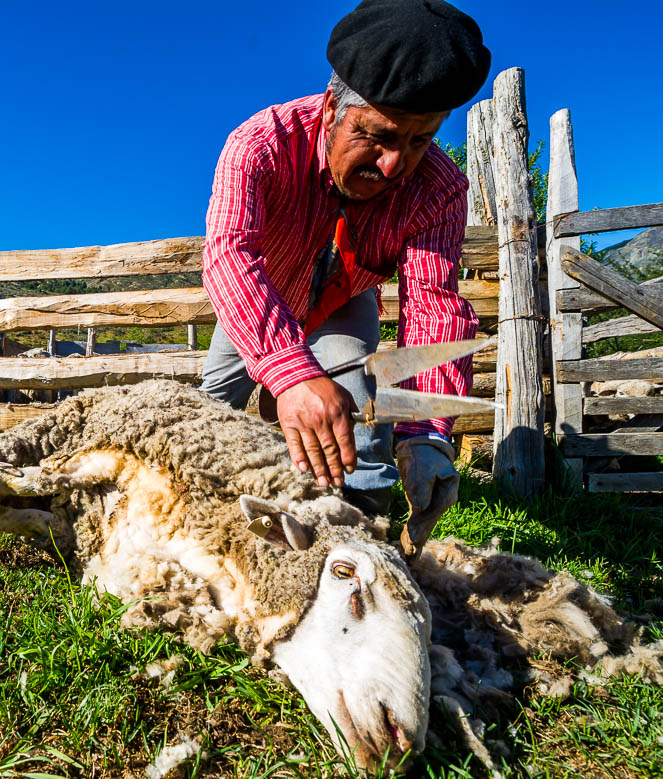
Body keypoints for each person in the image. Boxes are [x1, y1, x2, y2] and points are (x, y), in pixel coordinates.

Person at [199, 0, 490, 546]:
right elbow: (231, 254)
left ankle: (357, 540)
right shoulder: (259, 146)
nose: (393, 166)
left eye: (419, 140)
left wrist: (425, 436)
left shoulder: (438, 190)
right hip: (261, 295)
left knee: (355, 405)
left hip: (344, 297)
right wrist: (289, 374)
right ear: (333, 107)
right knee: (210, 402)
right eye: (378, 135)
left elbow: (432, 304)